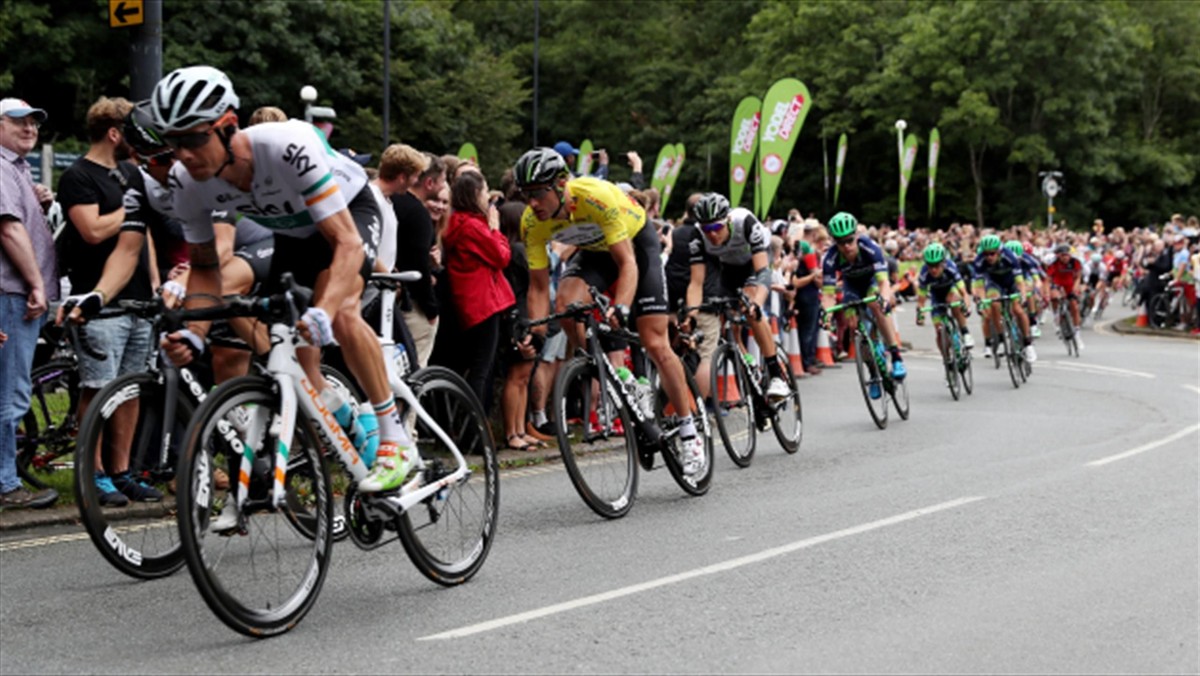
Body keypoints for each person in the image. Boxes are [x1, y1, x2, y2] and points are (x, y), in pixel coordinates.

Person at [151, 65, 414, 495]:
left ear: (228, 126)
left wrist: (325, 310)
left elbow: (346, 243)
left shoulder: (286, 146)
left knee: (343, 314)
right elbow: (203, 268)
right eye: (172, 143)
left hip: (347, 215)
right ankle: (345, 416)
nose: (182, 154)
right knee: (296, 354)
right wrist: (195, 333)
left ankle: (394, 437)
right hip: (292, 233)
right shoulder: (187, 182)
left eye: (193, 139)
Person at [513, 148, 705, 475]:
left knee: (655, 342)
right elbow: (539, 288)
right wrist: (536, 333)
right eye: (525, 195)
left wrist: (622, 307)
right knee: (565, 307)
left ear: (561, 184)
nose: (531, 203)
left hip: (636, 246)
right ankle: (615, 375)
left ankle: (689, 432)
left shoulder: (595, 197)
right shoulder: (532, 222)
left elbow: (627, 263)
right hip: (593, 253)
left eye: (537, 194)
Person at [56, 95, 166, 506]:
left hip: (139, 300)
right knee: (97, 389)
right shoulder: (77, 177)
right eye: (133, 132)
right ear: (115, 133)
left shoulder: (130, 173)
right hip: (100, 300)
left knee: (131, 389)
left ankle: (123, 471)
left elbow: (145, 238)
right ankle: (94, 471)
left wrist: (154, 280)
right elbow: (93, 230)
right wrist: (136, 208)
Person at [0, 97, 59, 509]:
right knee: (10, 392)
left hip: (14, 295)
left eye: (34, 123)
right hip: (12, 295)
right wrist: (37, 283)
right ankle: (5, 484)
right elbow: (7, 229)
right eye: (19, 122)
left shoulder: (16, 169)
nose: (30, 129)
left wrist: (39, 204)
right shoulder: (1, 168)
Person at [685, 193, 790, 399]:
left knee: (752, 311)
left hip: (753, 264)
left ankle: (776, 374)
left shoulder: (745, 222)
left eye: (716, 228)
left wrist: (758, 303)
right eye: (707, 229)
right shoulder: (697, 236)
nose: (712, 234)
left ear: (728, 221)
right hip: (727, 268)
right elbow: (696, 282)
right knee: (725, 319)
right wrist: (692, 314)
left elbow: (763, 272)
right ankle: (748, 363)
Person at [442, 170, 515, 409]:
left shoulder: (455, 223)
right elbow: (502, 256)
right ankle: (477, 427)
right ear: (475, 194)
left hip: (469, 300)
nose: (487, 197)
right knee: (482, 367)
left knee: (475, 365)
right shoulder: (473, 226)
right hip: (483, 303)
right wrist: (495, 228)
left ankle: (472, 426)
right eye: (484, 191)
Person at [820, 211, 907, 390]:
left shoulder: (870, 247)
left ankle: (896, 356)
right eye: (840, 242)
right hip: (851, 286)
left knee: (877, 305)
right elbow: (828, 295)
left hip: (872, 282)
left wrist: (884, 299)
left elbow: (884, 282)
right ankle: (873, 373)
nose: (846, 246)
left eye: (850, 240)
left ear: (856, 236)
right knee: (854, 326)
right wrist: (826, 315)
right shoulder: (830, 258)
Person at [394, 153, 445, 368]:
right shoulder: (417, 214)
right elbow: (418, 265)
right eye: (443, 181)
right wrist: (431, 310)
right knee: (414, 368)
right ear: (430, 182)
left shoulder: (392, 202)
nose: (444, 186)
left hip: (391, 299)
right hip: (411, 303)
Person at [971, 234, 1036, 362]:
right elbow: (979, 286)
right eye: (986, 254)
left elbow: (1020, 281)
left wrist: (1022, 295)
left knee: (1017, 309)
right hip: (994, 283)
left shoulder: (1009, 256)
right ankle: (1001, 339)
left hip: (1011, 282)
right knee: (994, 304)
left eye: (992, 254)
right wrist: (983, 300)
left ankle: (1028, 344)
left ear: (999, 252)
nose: (989, 257)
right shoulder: (979, 261)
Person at [914, 242, 975, 353]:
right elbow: (921, 300)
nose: (933, 270)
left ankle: (965, 332)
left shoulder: (950, 267)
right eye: (930, 265)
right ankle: (946, 358)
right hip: (936, 296)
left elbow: (964, 292)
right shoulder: (924, 274)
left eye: (936, 265)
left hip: (950, 290)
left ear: (943, 263)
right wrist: (920, 315)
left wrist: (967, 305)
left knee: (953, 301)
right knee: (938, 330)